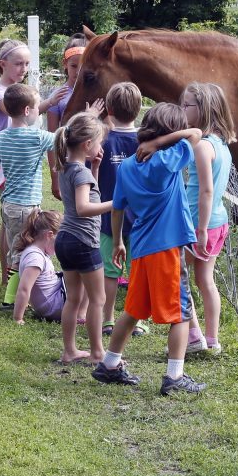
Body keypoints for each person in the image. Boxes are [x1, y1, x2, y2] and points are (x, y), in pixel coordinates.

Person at [92, 103, 206, 395]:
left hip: (141, 247)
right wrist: (160, 143)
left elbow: (117, 207)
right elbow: (195, 133)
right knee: (181, 313)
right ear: (170, 132)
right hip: (166, 248)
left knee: (133, 309)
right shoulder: (167, 158)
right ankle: (174, 376)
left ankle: (109, 364)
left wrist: (118, 241)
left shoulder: (128, 165)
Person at [0, 82, 59, 310]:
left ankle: (16, 293)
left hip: (8, 205)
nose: (38, 112)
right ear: (27, 110)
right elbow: (63, 138)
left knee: (15, 248)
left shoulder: (1, 137)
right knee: (23, 251)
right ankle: (11, 300)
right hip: (28, 207)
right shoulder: (38, 137)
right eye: (37, 108)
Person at [54, 112, 113, 364]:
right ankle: (97, 352)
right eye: (99, 142)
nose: (101, 148)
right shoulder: (81, 174)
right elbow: (83, 207)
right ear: (88, 144)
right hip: (83, 242)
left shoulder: (66, 168)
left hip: (65, 240)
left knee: (74, 298)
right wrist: (116, 204)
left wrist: (95, 168)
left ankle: (69, 351)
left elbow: (90, 195)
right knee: (97, 300)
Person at [181, 82, 235, 357]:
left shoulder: (203, 146)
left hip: (197, 223)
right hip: (218, 221)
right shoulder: (222, 145)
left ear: (203, 109)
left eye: (186, 105)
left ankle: (194, 336)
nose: (182, 110)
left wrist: (200, 229)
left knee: (177, 277)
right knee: (205, 280)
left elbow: (206, 190)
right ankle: (212, 340)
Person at [0, 39, 39, 288]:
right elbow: (21, 114)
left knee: (10, 221)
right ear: (3, 64)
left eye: (27, 64)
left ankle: (10, 276)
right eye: (19, 63)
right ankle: (8, 276)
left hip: (18, 162)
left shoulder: (18, 91)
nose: (24, 69)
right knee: (12, 222)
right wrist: (42, 102)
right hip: (7, 164)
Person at [96, 82, 145, 338]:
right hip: (141, 220)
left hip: (108, 218)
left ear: (109, 109)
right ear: (139, 109)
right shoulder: (145, 142)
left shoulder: (102, 140)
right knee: (137, 272)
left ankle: (108, 319)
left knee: (110, 271)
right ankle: (136, 320)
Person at [12, 210, 66, 323]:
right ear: (50, 235)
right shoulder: (35, 258)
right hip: (53, 307)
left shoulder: (38, 253)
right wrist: (18, 318)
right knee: (86, 273)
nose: (61, 244)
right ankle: (81, 314)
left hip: (54, 301)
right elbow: (24, 289)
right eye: (60, 240)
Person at [43, 32, 89, 131]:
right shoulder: (57, 96)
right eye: (74, 66)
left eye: (83, 66)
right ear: (65, 63)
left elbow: (109, 128)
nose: (78, 72)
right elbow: (52, 134)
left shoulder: (96, 93)